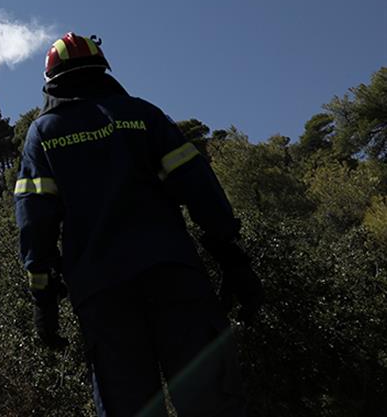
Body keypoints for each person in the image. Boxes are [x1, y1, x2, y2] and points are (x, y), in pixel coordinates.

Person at [14, 33, 263, 417]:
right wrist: (232, 256)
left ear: (51, 81)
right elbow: (198, 184)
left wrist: (43, 299)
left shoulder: (43, 133)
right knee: (211, 401)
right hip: (175, 278)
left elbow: (35, 219)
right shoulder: (143, 115)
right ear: (104, 71)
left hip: (102, 294)